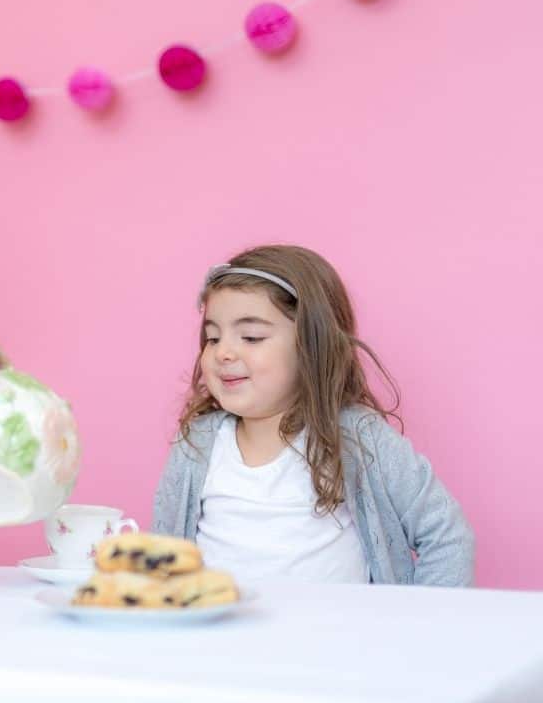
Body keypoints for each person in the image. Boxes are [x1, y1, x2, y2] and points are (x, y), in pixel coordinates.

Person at [152, 244, 474, 586]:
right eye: (213, 338)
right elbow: (160, 557)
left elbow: (447, 537)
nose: (223, 352)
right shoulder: (196, 444)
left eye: (251, 336)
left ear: (311, 345)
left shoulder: (357, 437)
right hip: (220, 638)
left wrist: (422, 629)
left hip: (338, 639)